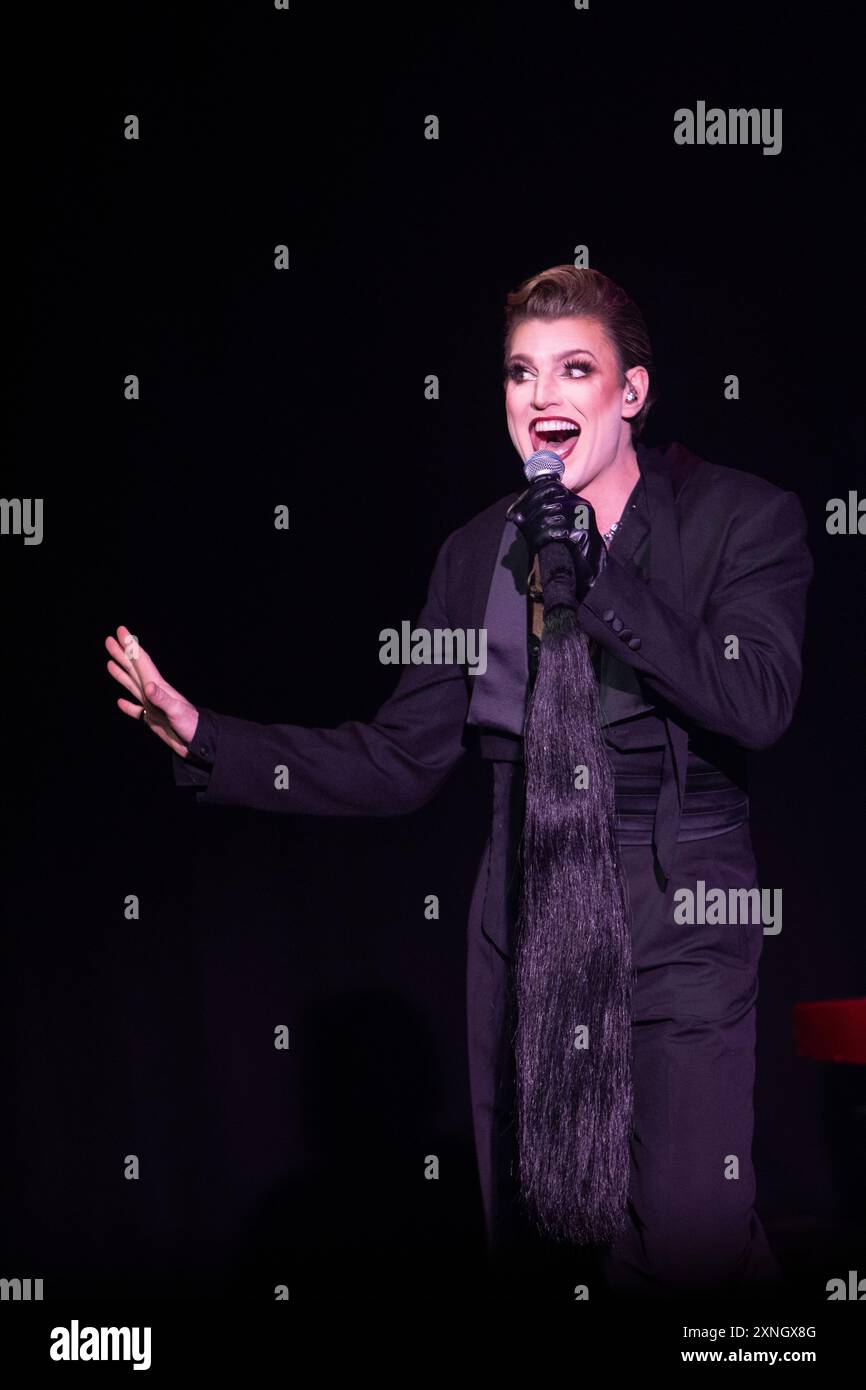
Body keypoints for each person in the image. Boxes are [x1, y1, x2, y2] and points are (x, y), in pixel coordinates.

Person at [105, 264, 813, 1298]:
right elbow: (401, 759)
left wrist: (599, 575)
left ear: (631, 392)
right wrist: (209, 735)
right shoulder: (475, 551)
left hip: (677, 907)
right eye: (519, 374)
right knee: (543, 1245)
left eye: (575, 368)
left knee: (687, 1236)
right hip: (524, 911)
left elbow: (754, 703)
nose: (541, 397)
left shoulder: (738, 519)